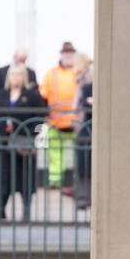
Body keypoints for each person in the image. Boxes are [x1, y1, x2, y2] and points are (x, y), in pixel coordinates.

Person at [0, 65, 47, 221]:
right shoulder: (1, 95)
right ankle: (1, 209)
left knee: (25, 177)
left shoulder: (32, 96)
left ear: (24, 77)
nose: (15, 78)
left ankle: (26, 211)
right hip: (3, 143)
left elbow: (41, 118)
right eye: (12, 75)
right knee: (3, 176)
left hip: (24, 143)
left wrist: (34, 135)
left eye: (18, 75)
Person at [39, 42, 79, 189]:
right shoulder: (51, 74)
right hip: (55, 121)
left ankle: (77, 181)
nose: (68, 55)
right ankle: (55, 181)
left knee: (79, 153)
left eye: (70, 53)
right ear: (61, 54)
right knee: (55, 153)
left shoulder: (79, 72)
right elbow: (42, 94)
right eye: (65, 52)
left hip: (76, 122)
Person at [72, 52, 93, 213]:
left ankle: (85, 197)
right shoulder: (81, 78)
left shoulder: (89, 76)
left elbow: (89, 99)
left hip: (88, 124)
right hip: (83, 124)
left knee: (85, 162)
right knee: (82, 161)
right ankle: (83, 197)